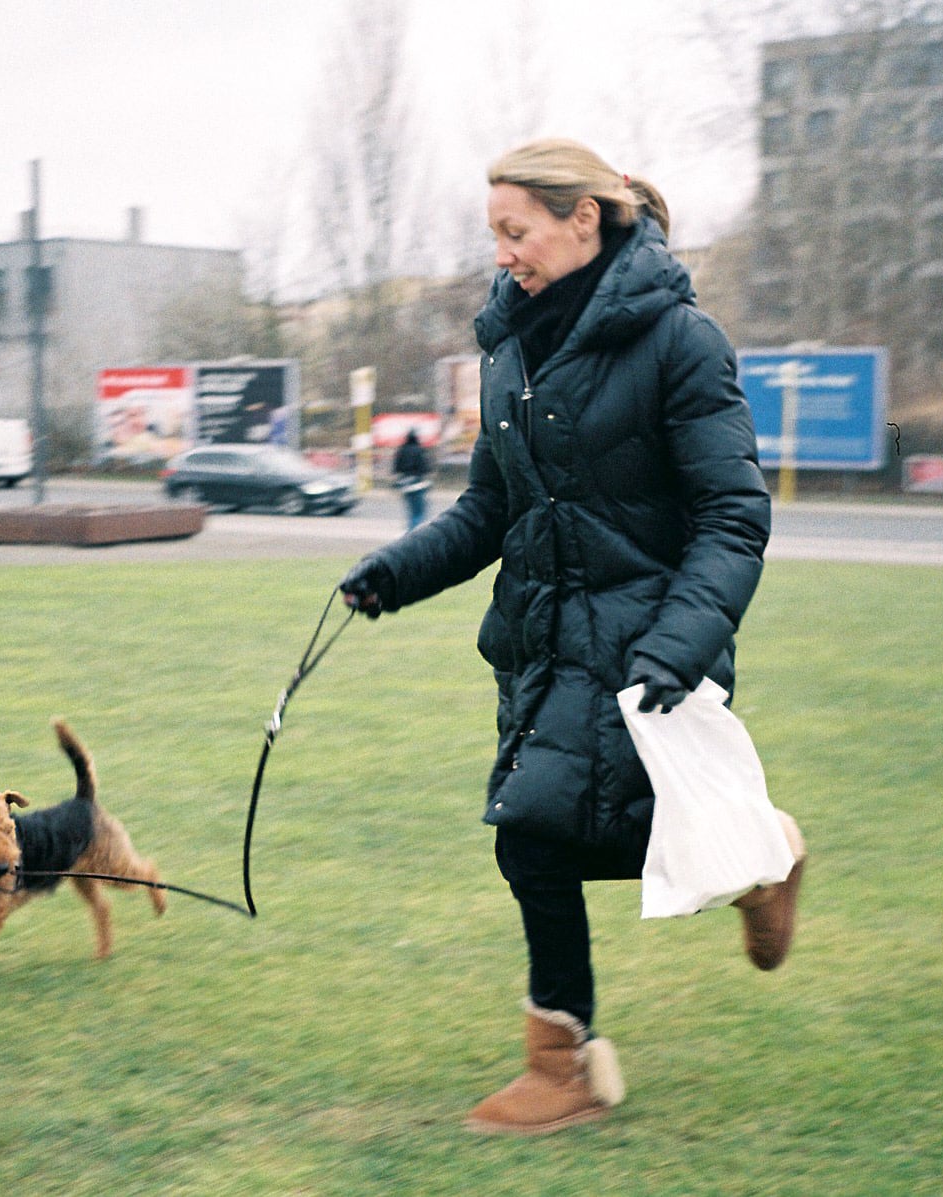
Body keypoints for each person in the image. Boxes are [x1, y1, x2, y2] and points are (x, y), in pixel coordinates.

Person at [337, 139, 800, 1135]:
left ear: (583, 219)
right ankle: (754, 860)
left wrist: (681, 640)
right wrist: (397, 571)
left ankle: (566, 1065)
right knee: (545, 837)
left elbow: (732, 514)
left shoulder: (682, 340)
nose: (504, 253)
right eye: (495, 234)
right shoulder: (511, 349)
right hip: (543, 641)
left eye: (518, 230)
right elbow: (489, 509)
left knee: (533, 837)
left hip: (647, 642)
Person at [391, 428, 432, 530]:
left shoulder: (401, 450)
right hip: (417, 485)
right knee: (419, 512)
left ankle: (411, 530)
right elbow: (424, 467)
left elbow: (396, 468)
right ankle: (414, 533)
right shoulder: (419, 450)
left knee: (411, 511)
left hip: (404, 485)